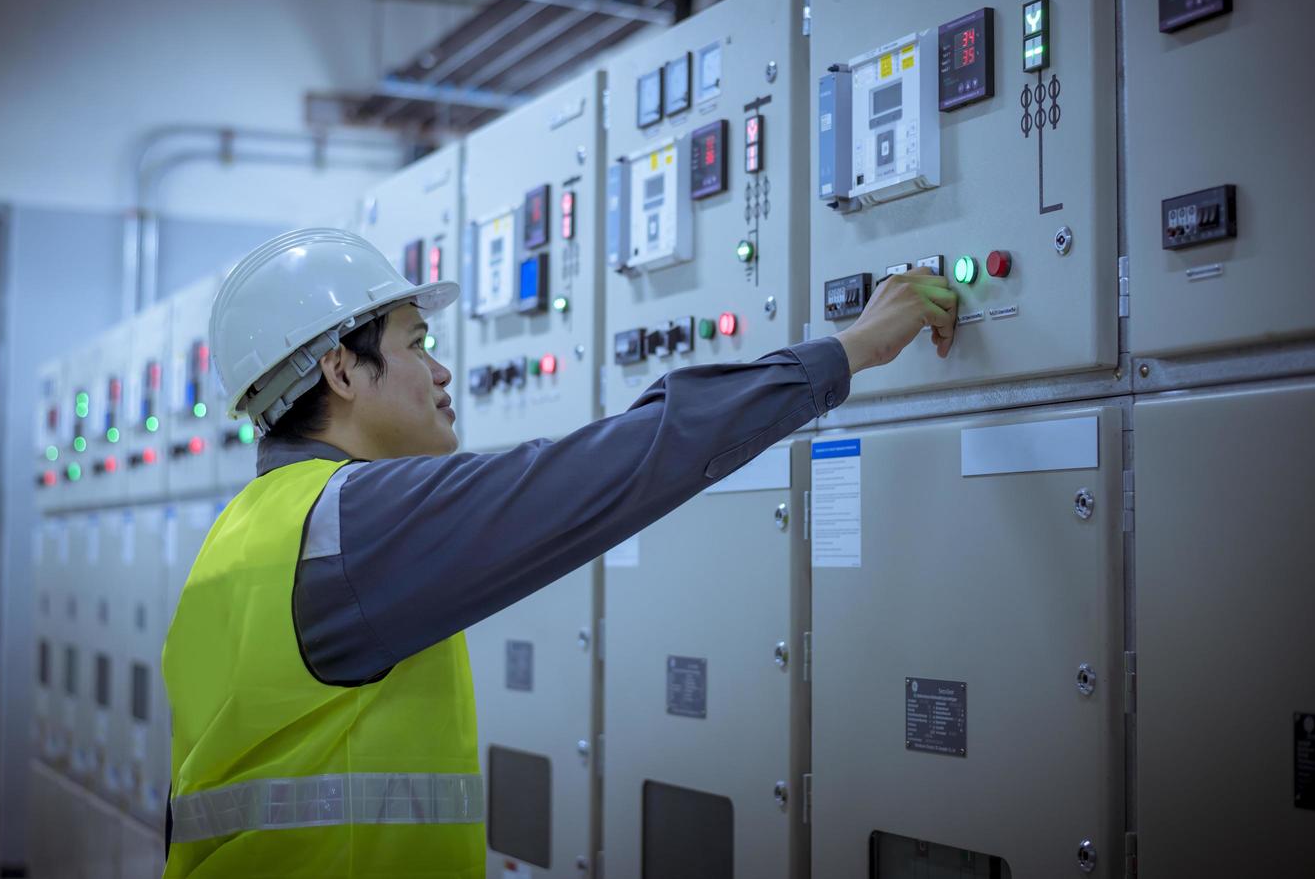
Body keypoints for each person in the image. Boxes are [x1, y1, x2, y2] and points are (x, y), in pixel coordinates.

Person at [162, 228, 957, 877]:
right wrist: (845, 352)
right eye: (416, 344)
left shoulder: (244, 533)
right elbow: (618, 464)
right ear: (340, 368)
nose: (442, 372)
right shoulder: (356, 525)